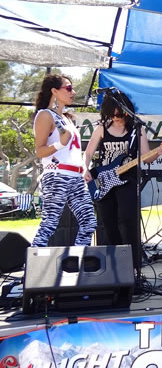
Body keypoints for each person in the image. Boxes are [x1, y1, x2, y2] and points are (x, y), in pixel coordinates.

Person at [84, 92, 162, 264]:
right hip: (103, 180)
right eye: (111, 114)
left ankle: (134, 263)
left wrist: (158, 152)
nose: (115, 118)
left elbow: (146, 157)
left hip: (127, 179)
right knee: (109, 222)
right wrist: (85, 167)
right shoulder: (101, 128)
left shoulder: (137, 130)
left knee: (129, 219)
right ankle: (116, 262)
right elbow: (88, 152)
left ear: (126, 112)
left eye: (119, 114)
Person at [32, 75, 97, 246]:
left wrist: (83, 168)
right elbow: (40, 150)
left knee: (89, 222)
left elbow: (72, 151)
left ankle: (78, 259)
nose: (73, 92)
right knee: (49, 224)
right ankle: (32, 260)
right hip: (57, 175)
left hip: (76, 177)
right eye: (68, 88)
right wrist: (60, 144)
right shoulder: (45, 115)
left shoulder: (66, 118)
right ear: (54, 91)